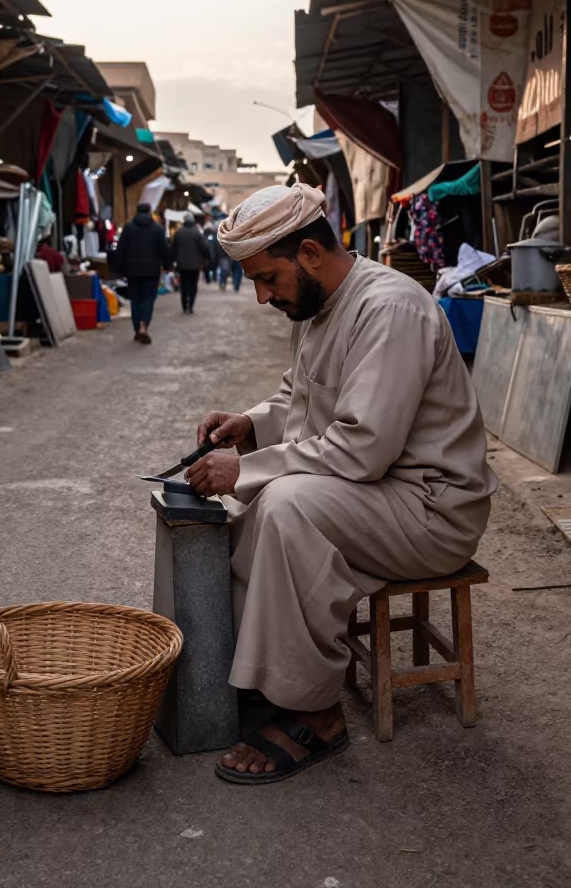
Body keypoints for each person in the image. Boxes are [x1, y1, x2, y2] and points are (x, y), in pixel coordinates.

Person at [184, 183, 497, 785]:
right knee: (251, 518)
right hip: (377, 494)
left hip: (434, 510)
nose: (261, 296)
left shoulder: (389, 310)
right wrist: (250, 424)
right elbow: (299, 400)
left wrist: (244, 470)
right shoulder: (313, 303)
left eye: (267, 279)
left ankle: (313, 712)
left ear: (307, 253)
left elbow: (363, 447)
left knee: (284, 505)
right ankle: (263, 676)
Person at [112, 202, 171, 344]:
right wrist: (168, 265)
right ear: (150, 211)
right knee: (148, 300)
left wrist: (116, 268)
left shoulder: (128, 228)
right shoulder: (158, 229)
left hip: (133, 272)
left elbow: (121, 249)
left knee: (135, 301)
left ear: (136, 211)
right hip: (151, 271)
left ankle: (137, 329)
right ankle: (144, 326)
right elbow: (164, 250)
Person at [173, 213, 209, 314]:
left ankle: (184, 305)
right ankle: (191, 305)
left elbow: (173, 249)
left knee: (184, 286)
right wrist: (206, 259)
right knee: (193, 285)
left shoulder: (178, 232)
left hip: (182, 265)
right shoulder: (197, 233)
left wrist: (172, 261)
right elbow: (204, 248)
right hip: (195, 265)